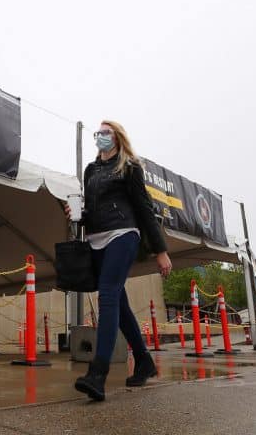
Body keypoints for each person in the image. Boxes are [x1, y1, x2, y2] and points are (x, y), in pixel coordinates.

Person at [65, 120, 172, 401]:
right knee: (120, 305)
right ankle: (144, 360)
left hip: (124, 234)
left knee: (108, 296)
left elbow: (144, 208)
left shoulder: (129, 166)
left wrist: (160, 250)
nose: (100, 136)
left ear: (117, 137)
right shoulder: (91, 170)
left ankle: (97, 374)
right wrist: (77, 213)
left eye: (106, 132)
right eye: (98, 133)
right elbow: (92, 208)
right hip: (97, 238)